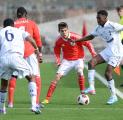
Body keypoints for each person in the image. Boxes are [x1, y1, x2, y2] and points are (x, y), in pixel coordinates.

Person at [73, 10, 123, 104]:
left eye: (99, 18)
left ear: (105, 18)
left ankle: (113, 96)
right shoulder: (98, 28)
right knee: (91, 62)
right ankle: (92, 87)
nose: (97, 19)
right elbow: (91, 36)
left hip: (117, 53)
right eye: (97, 18)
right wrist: (77, 41)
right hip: (108, 50)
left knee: (107, 74)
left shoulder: (113, 25)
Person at [42, 22, 96, 104]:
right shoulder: (58, 41)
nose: (64, 33)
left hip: (78, 59)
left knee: (80, 71)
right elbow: (56, 51)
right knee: (57, 77)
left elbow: (88, 43)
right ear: (59, 31)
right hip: (67, 61)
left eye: (65, 30)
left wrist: (93, 53)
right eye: (62, 31)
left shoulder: (76, 37)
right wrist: (58, 60)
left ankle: (83, 93)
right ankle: (47, 99)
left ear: (68, 30)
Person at [0, 18, 41, 114]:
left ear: (4, 25)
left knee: (4, 83)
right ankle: (34, 106)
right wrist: (37, 50)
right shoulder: (19, 31)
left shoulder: (1, 31)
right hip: (16, 57)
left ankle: (2, 108)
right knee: (31, 77)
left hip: (4, 58)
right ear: (13, 25)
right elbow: (31, 39)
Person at [8, 7, 43, 108]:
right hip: (30, 53)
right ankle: (36, 103)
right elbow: (38, 40)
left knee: (13, 76)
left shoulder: (13, 24)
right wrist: (39, 54)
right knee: (36, 76)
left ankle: (10, 102)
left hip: (17, 54)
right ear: (25, 14)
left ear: (17, 15)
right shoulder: (32, 23)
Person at [116, 5, 123, 87]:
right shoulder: (121, 20)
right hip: (121, 43)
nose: (119, 12)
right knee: (121, 62)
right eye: (118, 11)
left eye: (120, 11)